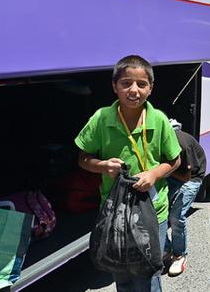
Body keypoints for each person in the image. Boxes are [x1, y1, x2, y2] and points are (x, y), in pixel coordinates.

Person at [75, 55, 182, 292]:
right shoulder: (101, 119)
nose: (134, 90)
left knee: (147, 276)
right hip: (115, 212)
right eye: (126, 83)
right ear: (115, 86)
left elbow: (175, 161)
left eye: (141, 84)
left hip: (154, 212)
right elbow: (82, 159)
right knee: (122, 274)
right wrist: (102, 166)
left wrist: (154, 174)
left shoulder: (159, 120)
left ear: (150, 88)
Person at [163, 119, 207, 277]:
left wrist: (163, 169)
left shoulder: (180, 143)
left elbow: (186, 176)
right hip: (171, 174)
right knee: (156, 211)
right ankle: (165, 249)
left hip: (191, 178)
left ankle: (179, 255)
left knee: (176, 216)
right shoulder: (161, 140)